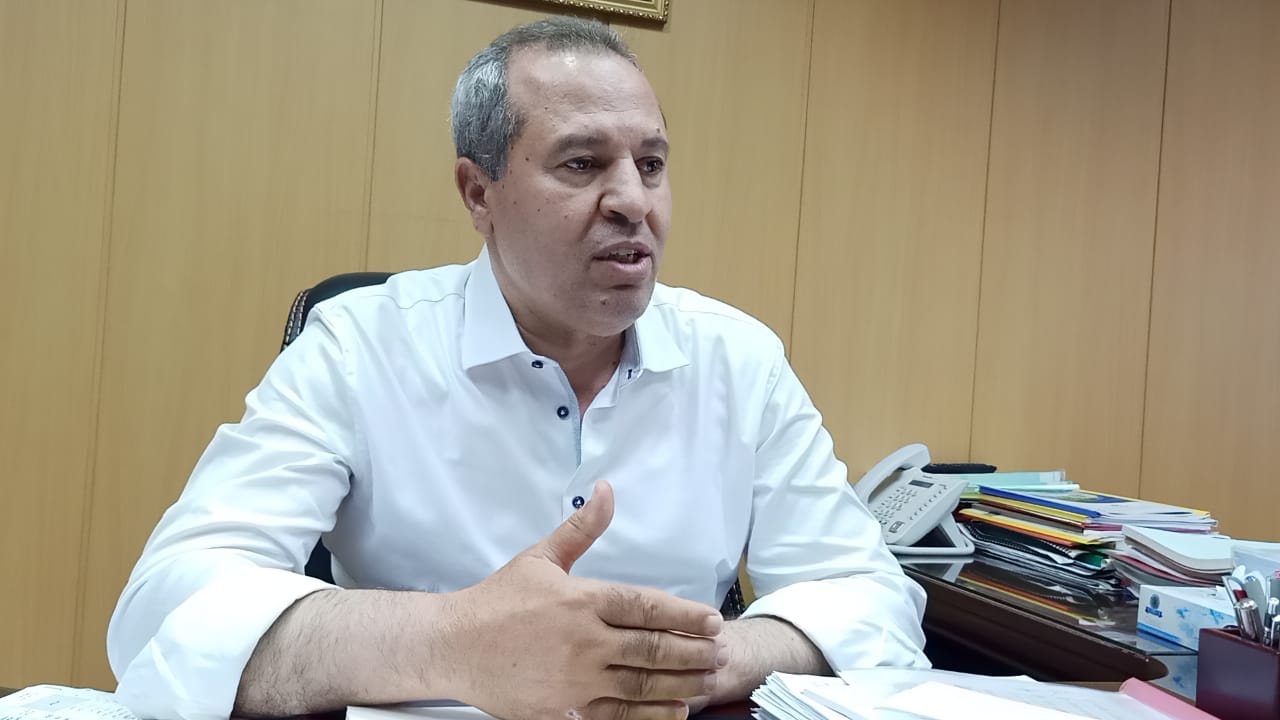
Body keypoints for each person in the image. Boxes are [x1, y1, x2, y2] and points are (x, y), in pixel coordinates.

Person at [107, 16, 928, 720]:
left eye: (651, 164)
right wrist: (457, 644)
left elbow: (872, 600)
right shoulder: (360, 346)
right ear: (479, 193)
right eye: (582, 164)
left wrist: (693, 661)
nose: (633, 202)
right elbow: (164, 611)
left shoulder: (739, 359)